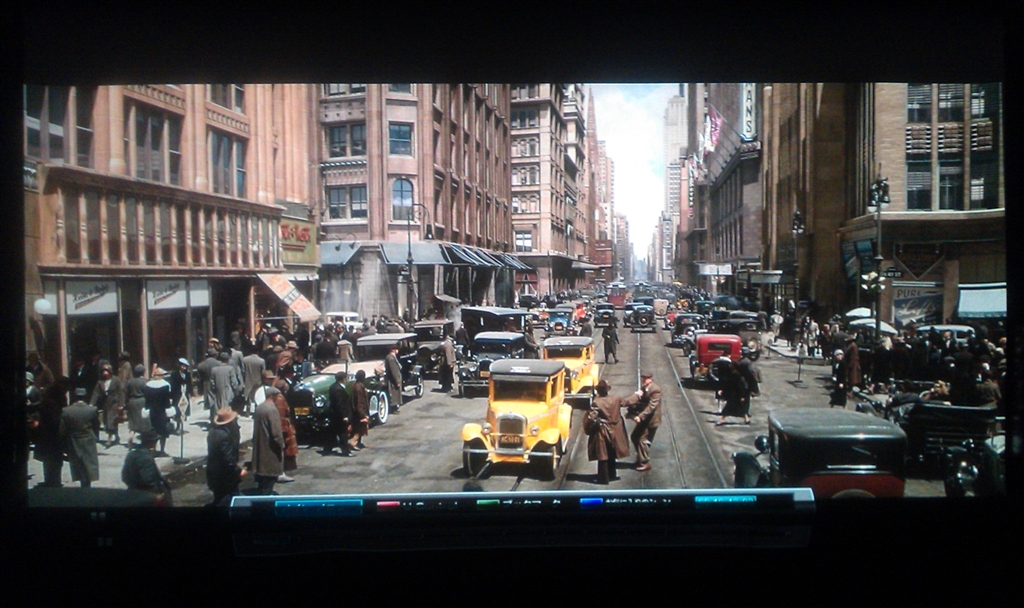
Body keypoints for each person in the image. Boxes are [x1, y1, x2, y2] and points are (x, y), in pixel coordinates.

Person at [584, 380, 630, 484]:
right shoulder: (616, 398)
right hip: (616, 429)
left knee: (603, 454)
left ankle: (603, 478)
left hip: (603, 430)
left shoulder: (596, 403)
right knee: (612, 452)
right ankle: (612, 474)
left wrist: (588, 428)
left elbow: (591, 418)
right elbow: (626, 402)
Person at [60, 387, 100, 487]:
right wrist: (95, 437)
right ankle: (87, 484)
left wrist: (63, 444)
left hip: (73, 439)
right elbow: (96, 426)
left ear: (74, 396)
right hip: (88, 439)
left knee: (77, 464)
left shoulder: (66, 411)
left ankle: (82, 484)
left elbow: (62, 429)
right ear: (85, 396)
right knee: (88, 463)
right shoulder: (92, 410)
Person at [34, 376, 70, 487]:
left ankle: (50, 480)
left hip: (46, 432)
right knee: (55, 458)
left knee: (48, 459)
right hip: (54, 432)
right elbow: (58, 415)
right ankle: (54, 480)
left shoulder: (49, 394)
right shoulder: (58, 396)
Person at [621, 371, 662, 472]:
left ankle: (644, 462)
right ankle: (641, 457)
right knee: (635, 437)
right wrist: (625, 402)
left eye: (645, 378)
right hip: (645, 420)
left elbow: (651, 406)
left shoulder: (655, 390)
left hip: (651, 421)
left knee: (641, 439)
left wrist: (640, 416)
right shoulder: (644, 388)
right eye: (643, 378)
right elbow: (637, 398)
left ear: (651, 379)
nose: (643, 380)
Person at [206, 406, 246, 506]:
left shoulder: (212, 432)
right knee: (231, 501)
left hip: (213, 475)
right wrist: (239, 471)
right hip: (225, 478)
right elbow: (228, 461)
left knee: (219, 498)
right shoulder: (225, 436)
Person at [122, 430, 173, 506]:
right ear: (153, 443)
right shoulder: (146, 458)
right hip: (146, 496)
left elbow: (124, 476)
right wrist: (156, 494)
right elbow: (148, 480)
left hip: (132, 492)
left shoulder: (131, 454)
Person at [251, 386, 285, 495]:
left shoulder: (260, 408)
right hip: (270, 450)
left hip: (259, 449)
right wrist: (281, 445)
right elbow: (276, 433)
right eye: (278, 396)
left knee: (262, 482)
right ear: (273, 396)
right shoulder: (272, 410)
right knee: (269, 482)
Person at [90, 361, 125, 447]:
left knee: (111, 420)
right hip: (105, 403)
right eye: (103, 371)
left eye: (106, 371)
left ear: (110, 371)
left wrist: (121, 404)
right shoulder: (100, 382)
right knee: (107, 421)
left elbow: (120, 392)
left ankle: (109, 438)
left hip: (114, 403)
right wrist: (92, 403)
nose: (105, 373)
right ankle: (116, 437)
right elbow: (96, 393)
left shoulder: (116, 380)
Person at [143, 366, 173, 455]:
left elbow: (147, 400)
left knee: (154, 430)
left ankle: (153, 449)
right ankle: (162, 450)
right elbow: (167, 400)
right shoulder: (166, 385)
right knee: (163, 432)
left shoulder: (148, 385)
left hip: (152, 411)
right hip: (162, 412)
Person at [324, 371, 354, 456]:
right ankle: (345, 451)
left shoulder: (333, 387)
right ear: (343, 379)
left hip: (334, 414)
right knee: (342, 433)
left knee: (332, 433)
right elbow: (339, 404)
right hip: (338, 415)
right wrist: (344, 416)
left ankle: (327, 450)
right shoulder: (338, 389)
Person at [273, 390, 299, 482]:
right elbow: (283, 415)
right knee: (281, 450)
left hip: (280, 428)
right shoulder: (280, 399)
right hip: (282, 428)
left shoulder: (277, 398)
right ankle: (280, 473)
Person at [124, 364, 151, 448]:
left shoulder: (130, 381)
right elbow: (148, 393)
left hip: (132, 402)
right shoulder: (145, 382)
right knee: (144, 422)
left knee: (133, 423)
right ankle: (144, 441)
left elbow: (126, 393)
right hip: (142, 402)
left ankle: (130, 439)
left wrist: (126, 404)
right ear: (143, 372)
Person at [210, 351, 240, 419]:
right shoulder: (230, 368)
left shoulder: (214, 369)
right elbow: (234, 382)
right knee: (227, 407)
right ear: (228, 359)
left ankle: (218, 419)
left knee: (218, 406)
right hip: (228, 391)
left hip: (218, 391)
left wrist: (214, 389)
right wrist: (235, 389)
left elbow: (212, 383)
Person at [196, 348, 220, 414]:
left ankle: (212, 413)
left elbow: (199, 377)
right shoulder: (219, 363)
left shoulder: (201, 365)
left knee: (209, 399)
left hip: (206, 383)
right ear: (215, 355)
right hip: (217, 382)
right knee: (217, 399)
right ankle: (216, 413)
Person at [350, 370, 370, 450]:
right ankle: (353, 443)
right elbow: (359, 402)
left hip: (357, 411)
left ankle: (359, 442)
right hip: (359, 412)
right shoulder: (359, 388)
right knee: (359, 429)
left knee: (361, 428)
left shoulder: (356, 385)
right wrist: (363, 414)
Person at [384, 345, 403, 413]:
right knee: (394, 393)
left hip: (393, 379)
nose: (397, 350)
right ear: (393, 350)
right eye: (396, 349)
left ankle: (395, 407)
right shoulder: (391, 358)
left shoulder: (391, 357)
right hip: (392, 380)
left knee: (395, 393)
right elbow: (394, 370)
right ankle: (393, 408)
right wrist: (397, 380)